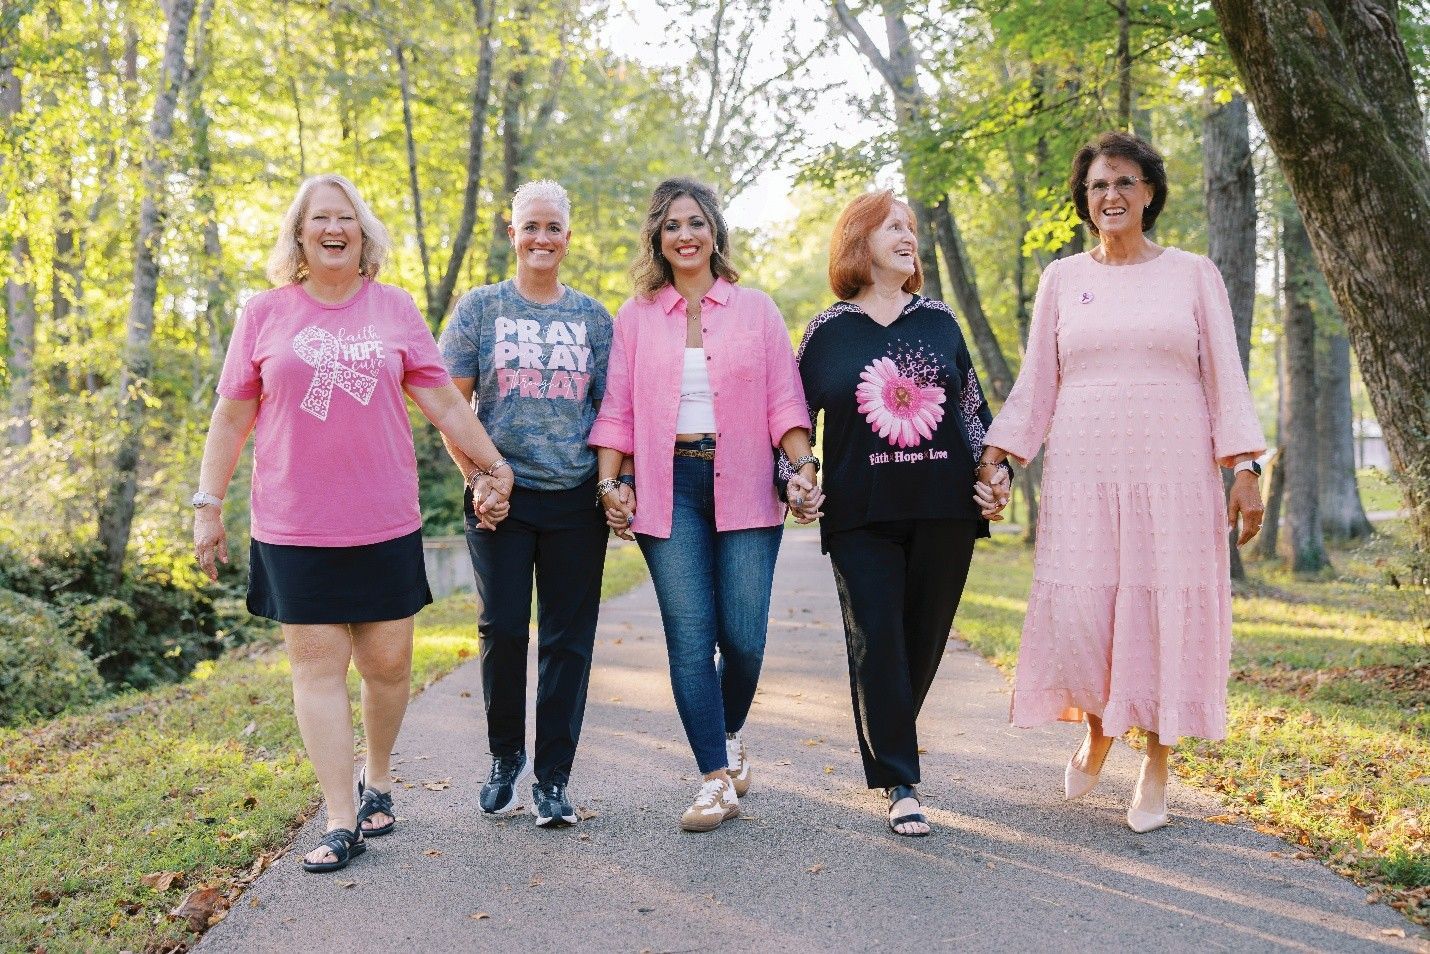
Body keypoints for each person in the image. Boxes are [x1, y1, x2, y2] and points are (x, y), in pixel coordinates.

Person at [192, 173, 513, 873]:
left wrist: (492, 464)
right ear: (300, 235)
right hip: (292, 523)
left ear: (362, 234)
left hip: (383, 517)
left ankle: (380, 780)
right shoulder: (265, 313)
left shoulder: (393, 309)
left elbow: (446, 407)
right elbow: (232, 415)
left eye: (346, 219)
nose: (333, 229)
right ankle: (341, 819)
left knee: (388, 666)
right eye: (320, 220)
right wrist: (207, 505)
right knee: (316, 669)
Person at [977, 131, 1266, 833]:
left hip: (1174, 477)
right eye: (1100, 184)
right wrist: (1000, 455)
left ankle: (1157, 765)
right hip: (1083, 475)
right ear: (1084, 198)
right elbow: (1038, 384)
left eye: (1127, 182)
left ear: (1150, 194)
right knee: (1087, 616)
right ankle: (1101, 728)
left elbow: (1226, 377)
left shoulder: (1193, 274)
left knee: (1163, 613)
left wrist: (1247, 469)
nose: (1113, 195)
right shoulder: (1060, 279)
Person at [588, 177, 818, 832]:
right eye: (671, 226)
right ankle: (714, 778)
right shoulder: (634, 317)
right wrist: (611, 484)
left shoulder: (758, 311)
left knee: (743, 640)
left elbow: (785, 405)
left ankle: (726, 732)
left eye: (695, 223)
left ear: (714, 231)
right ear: (657, 240)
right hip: (669, 489)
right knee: (690, 639)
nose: (685, 236)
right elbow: (617, 413)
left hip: (745, 482)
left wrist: (802, 471)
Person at [783, 190, 1001, 836]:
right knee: (876, 640)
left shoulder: (940, 322)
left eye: (911, 227)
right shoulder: (828, 332)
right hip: (859, 516)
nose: (909, 236)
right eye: (893, 227)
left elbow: (973, 414)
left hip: (946, 511)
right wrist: (795, 480)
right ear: (859, 242)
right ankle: (900, 781)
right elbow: (793, 424)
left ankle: (891, 735)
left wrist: (999, 472)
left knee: (920, 642)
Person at [437, 180, 613, 828]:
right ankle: (504, 757)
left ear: (568, 237)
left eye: (553, 228)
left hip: (573, 500)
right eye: (530, 226)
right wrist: (481, 477)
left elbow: (612, 414)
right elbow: (448, 404)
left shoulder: (594, 318)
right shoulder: (480, 308)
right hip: (500, 500)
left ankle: (553, 780)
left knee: (568, 642)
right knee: (504, 629)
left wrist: (609, 485)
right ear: (512, 233)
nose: (542, 238)